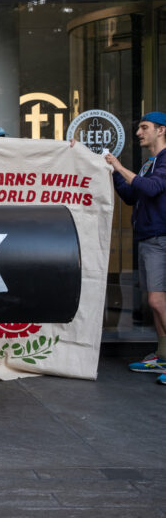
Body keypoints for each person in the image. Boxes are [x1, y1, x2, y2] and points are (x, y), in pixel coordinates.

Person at [105, 111, 166, 386]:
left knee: (156, 301)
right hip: (147, 239)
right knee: (155, 303)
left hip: (160, 239)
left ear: (161, 130)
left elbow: (151, 189)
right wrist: (110, 172)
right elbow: (132, 195)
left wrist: (118, 166)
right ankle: (163, 355)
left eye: (144, 127)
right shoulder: (148, 164)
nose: (139, 133)